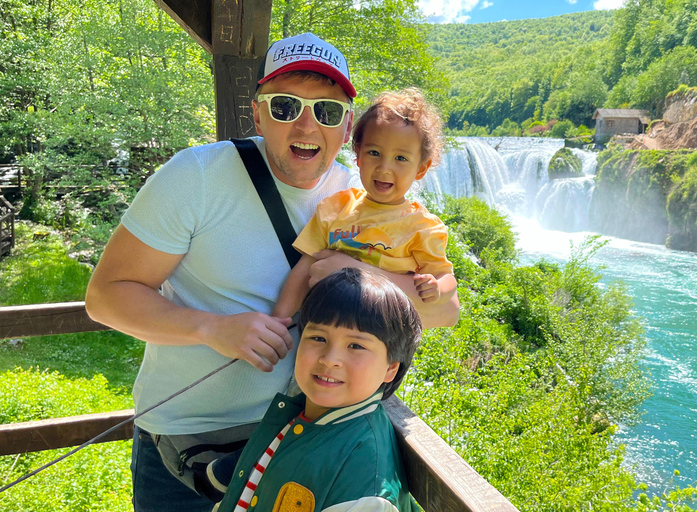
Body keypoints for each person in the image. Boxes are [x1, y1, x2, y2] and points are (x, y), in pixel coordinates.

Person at [84, 32, 459, 512]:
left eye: (326, 110)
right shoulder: (196, 177)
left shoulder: (364, 198)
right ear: (258, 113)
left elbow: (443, 310)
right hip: (186, 450)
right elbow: (106, 297)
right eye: (285, 107)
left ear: (347, 128)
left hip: (303, 442)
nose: (306, 125)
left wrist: (348, 269)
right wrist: (212, 328)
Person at [196, 268, 420, 512]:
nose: (330, 358)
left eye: (355, 345)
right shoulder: (301, 413)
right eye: (318, 338)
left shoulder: (366, 482)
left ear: (391, 369)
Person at [273, 88, 456, 319]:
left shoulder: (423, 228)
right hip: (325, 325)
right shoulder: (335, 208)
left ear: (420, 169)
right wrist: (279, 319)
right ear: (358, 155)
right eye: (374, 152)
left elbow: (446, 278)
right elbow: (304, 269)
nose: (384, 168)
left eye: (401, 158)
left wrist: (438, 289)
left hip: (381, 335)